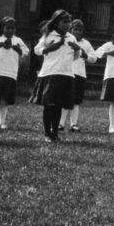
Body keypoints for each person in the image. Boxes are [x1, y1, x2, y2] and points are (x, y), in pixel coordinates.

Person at [31, 10, 80, 142]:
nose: (67, 24)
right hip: (50, 73)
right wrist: (49, 49)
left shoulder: (71, 38)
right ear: (56, 23)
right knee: (49, 104)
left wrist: (77, 49)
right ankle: (47, 133)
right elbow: (37, 50)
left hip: (66, 74)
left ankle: (55, 133)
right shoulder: (49, 36)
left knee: (58, 105)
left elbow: (75, 57)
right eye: (64, 22)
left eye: (68, 22)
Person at [0, 17, 29, 130]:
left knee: (5, 99)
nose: (10, 30)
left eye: (12, 28)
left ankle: (2, 122)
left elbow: (26, 52)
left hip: (10, 73)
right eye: (8, 27)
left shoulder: (17, 40)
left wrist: (16, 48)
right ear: (2, 28)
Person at [60, 19, 97, 132]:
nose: (77, 32)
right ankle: (60, 123)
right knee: (64, 99)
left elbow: (94, 58)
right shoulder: (66, 40)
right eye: (75, 29)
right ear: (70, 29)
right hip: (66, 72)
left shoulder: (86, 43)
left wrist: (86, 56)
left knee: (76, 100)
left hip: (80, 74)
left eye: (80, 30)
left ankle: (73, 124)